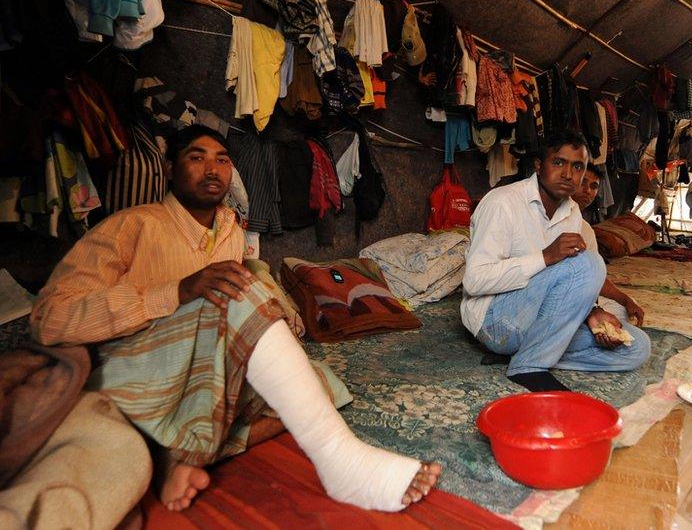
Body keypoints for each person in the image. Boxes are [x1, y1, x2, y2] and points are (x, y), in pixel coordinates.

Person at [31, 125, 440, 513]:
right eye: (197, 157)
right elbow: (49, 318)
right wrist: (175, 291)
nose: (213, 169)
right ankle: (339, 459)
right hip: (141, 370)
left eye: (223, 160)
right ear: (170, 169)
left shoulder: (230, 228)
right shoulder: (129, 226)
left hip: (201, 370)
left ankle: (178, 451)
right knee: (242, 300)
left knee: (317, 383)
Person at [461, 130, 651, 392]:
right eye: (559, 163)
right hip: (495, 322)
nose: (568, 174)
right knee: (590, 262)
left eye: (577, 167)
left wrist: (592, 312)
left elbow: (567, 284)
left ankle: (528, 353)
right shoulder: (502, 203)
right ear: (539, 166)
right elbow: (474, 281)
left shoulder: (572, 213)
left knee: (637, 347)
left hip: (537, 323)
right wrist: (545, 257)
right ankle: (528, 365)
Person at [571, 164, 646, 325]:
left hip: (582, 299)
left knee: (624, 311)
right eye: (583, 183)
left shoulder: (586, 230)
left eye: (594, 186)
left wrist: (625, 300)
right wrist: (593, 308)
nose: (588, 191)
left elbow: (596, 278)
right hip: (556, 298)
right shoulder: (548, 217)